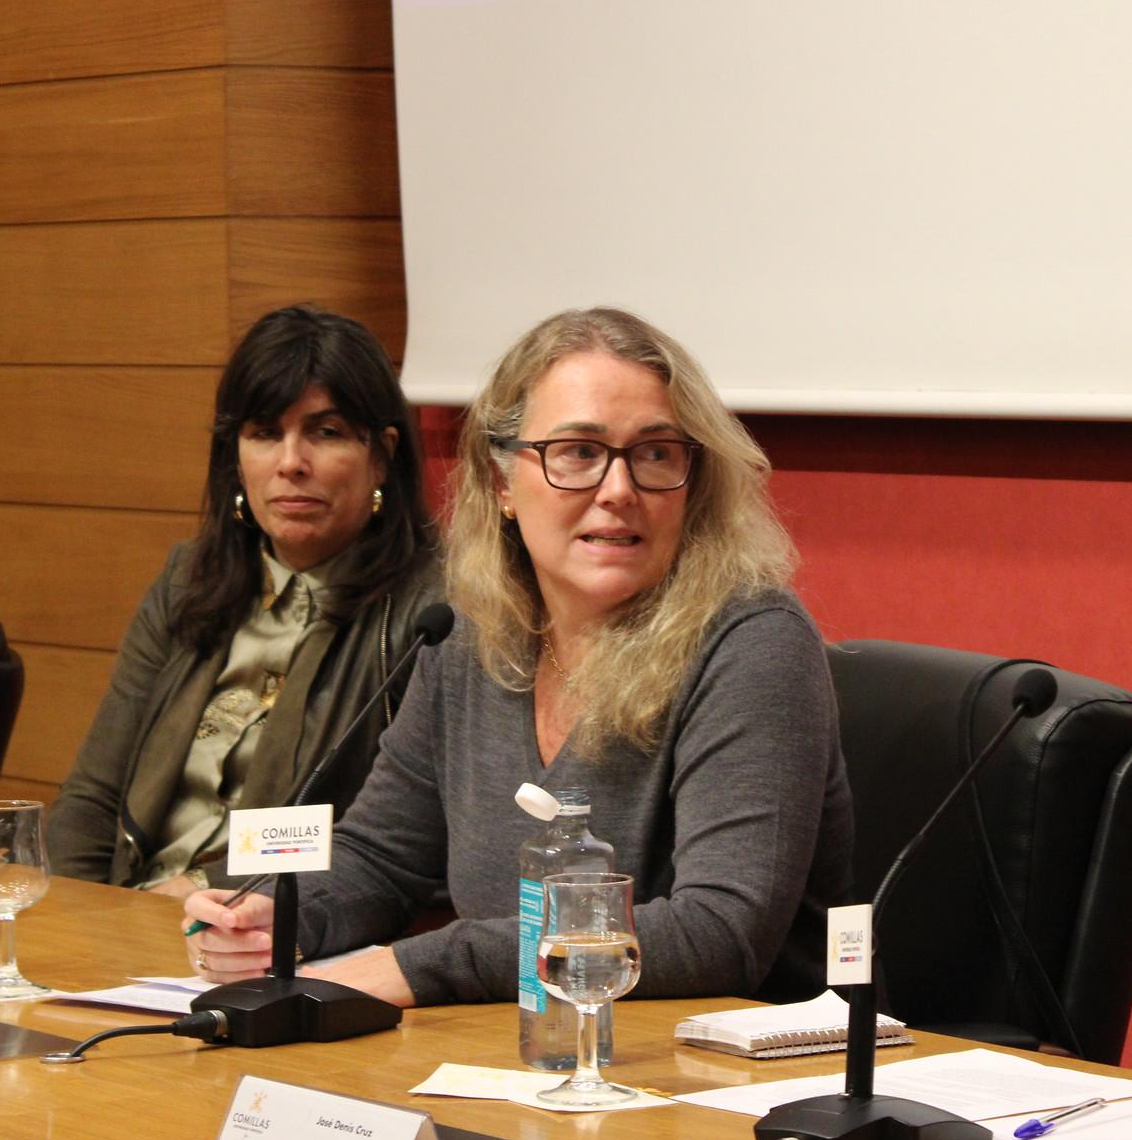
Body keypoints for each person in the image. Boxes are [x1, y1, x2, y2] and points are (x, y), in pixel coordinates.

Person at [181, 306, 853, 1006]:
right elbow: (379, 857)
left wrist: (421, 966)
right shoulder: (472, 634)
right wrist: (284, 920)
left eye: (655, 453)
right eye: (578, 453)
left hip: (717, 1080)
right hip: (522, 1055)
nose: (618, 490)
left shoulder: (753, 641)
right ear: (502, 483)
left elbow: (720, 935)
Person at [47, 305, 440, 898]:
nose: (290, 463)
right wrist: (76, 916)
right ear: (235, 455)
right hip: (130, 915)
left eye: (325, 433)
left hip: (280, 927)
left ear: (381, 454)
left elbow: (380, 838)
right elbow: (94, 796)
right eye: (264, 433)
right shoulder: (190, 579)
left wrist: (211, 890)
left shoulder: (432, 609)